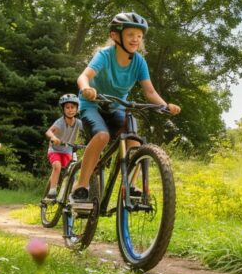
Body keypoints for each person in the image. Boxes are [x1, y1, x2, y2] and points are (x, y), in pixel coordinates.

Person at [71, 12, 180, 203]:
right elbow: (83, 76)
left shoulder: (139, 62)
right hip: (92, 104)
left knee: (133, 138)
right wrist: (87, 88)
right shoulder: (105, 55)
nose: (135, 39)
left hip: (117, 106)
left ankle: (129, 184)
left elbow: (150, 92)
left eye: (139, 36)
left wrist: (165, 106)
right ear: (115, 36)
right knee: (102, 136)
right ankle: (81, 186)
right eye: (130, 34)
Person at [45, 94, 83, 198]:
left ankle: (71, 192)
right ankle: (52, 190)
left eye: (72, 107)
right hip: (55, 150)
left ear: (76, 109)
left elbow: (88, 131)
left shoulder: (78, 123)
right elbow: (48, 131)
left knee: (72, 172)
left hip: (67, 151)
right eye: (67, 107)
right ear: (63, 109)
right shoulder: (60, 122)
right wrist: (54, 138)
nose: (70, 110)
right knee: (57, 166)